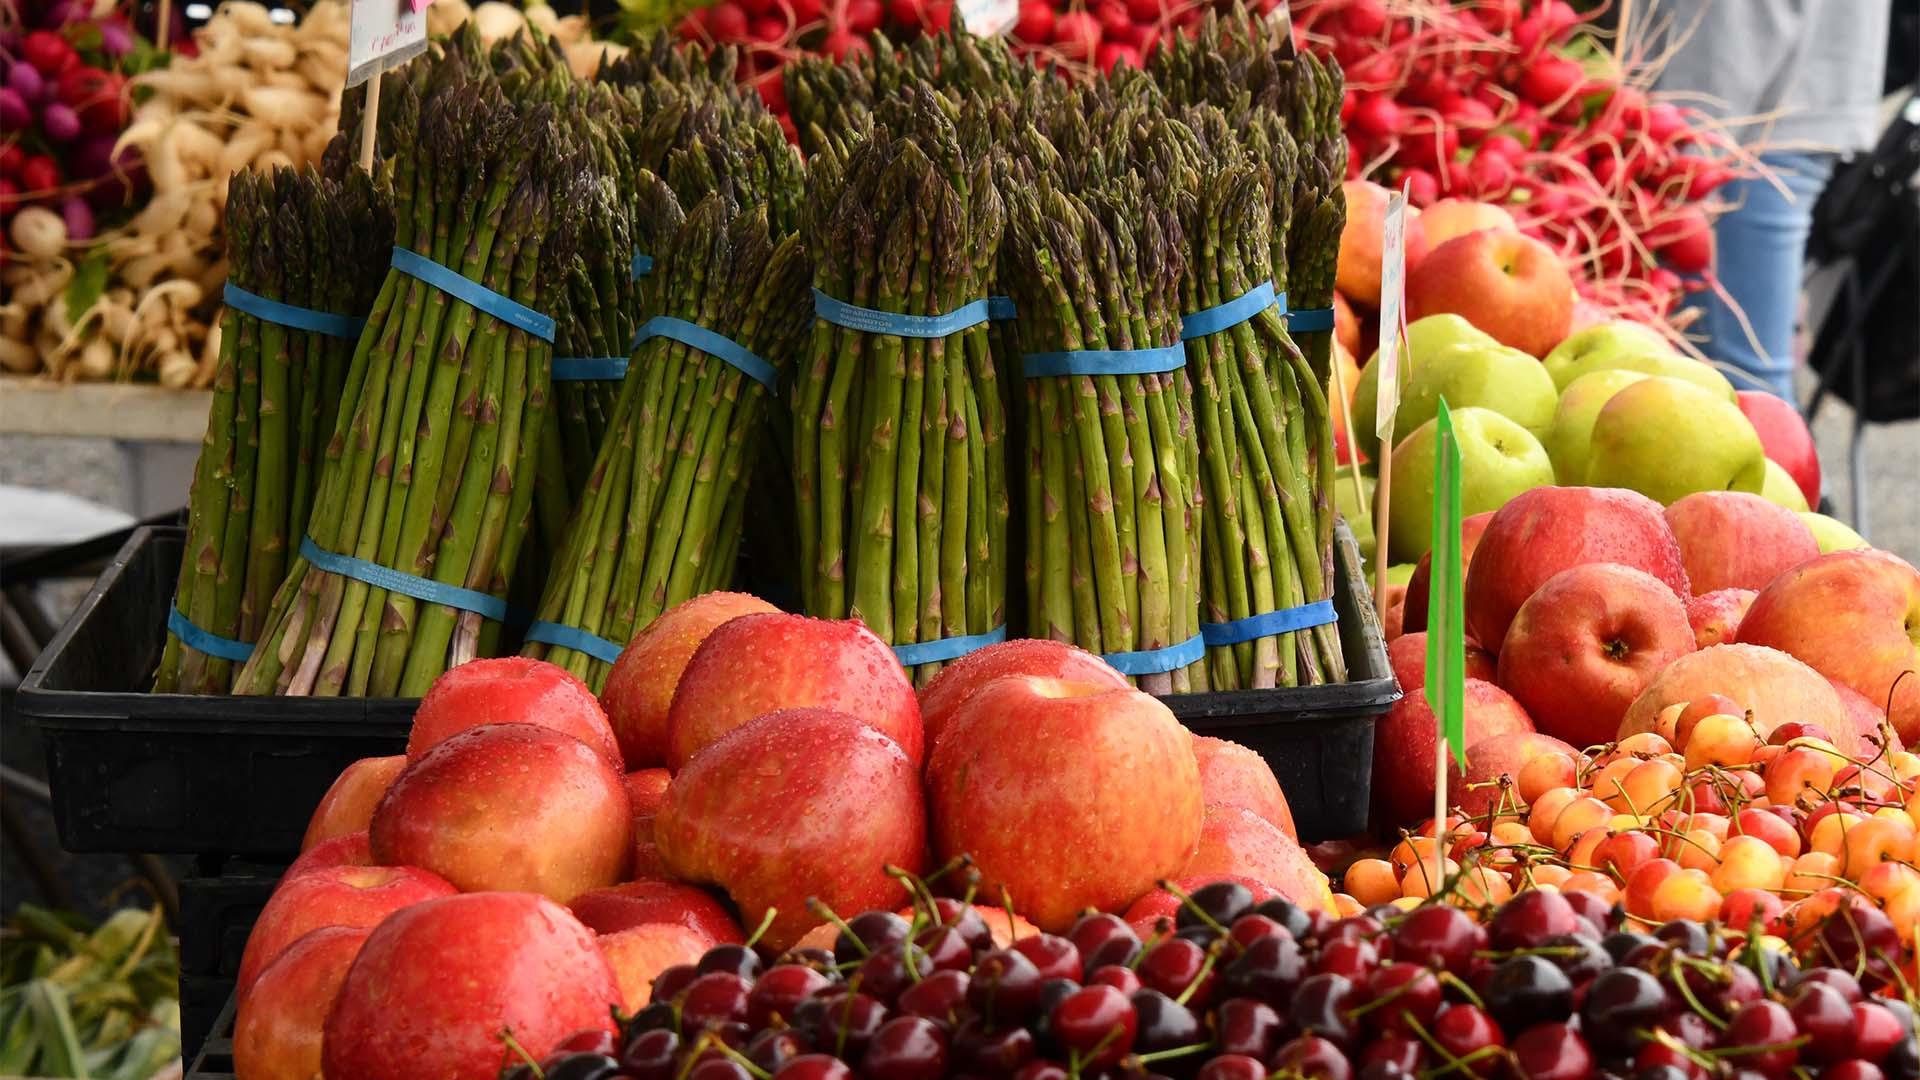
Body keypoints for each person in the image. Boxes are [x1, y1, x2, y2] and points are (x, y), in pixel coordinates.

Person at [1649, 0, 1892, 403]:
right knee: (1744, 379)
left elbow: (1737, 21)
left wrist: (1687, 146)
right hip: (1786, 98)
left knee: (1744, 383)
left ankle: (1789, 466)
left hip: (1744, 122)